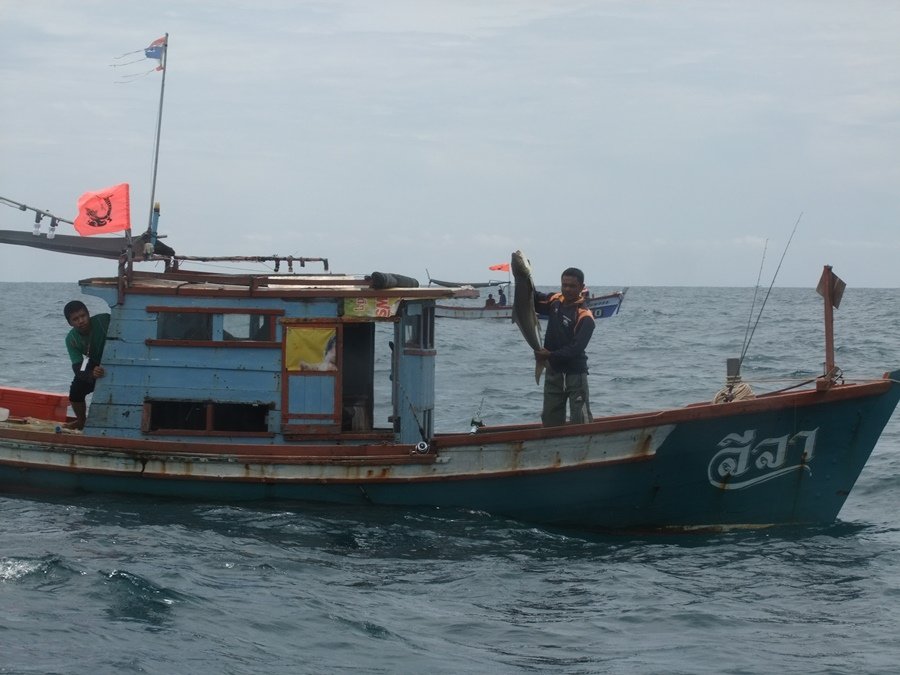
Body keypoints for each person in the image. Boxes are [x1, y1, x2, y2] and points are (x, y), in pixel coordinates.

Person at [533, 267, 595, 426]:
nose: (567, 289)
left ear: (581, 287)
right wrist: (523, 277)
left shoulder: (585, 315)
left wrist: (549, 355)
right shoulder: (555, 300)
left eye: (572, 286)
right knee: (550, 420)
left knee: (580, 421)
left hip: (575, 374)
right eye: (564, 285)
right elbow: (532, 298)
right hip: (554, 373)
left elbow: (576, 348)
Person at [63, 300, 110, 429]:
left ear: (88, 314)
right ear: (70, 323)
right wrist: (91, 373)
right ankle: (81, 421)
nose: (81, 321)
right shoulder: (71, 339)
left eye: (83, 316)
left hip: (115, 357)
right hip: (93, 361)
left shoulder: (103, 320)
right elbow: (78, 366)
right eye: (75, 319)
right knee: (75, 391)